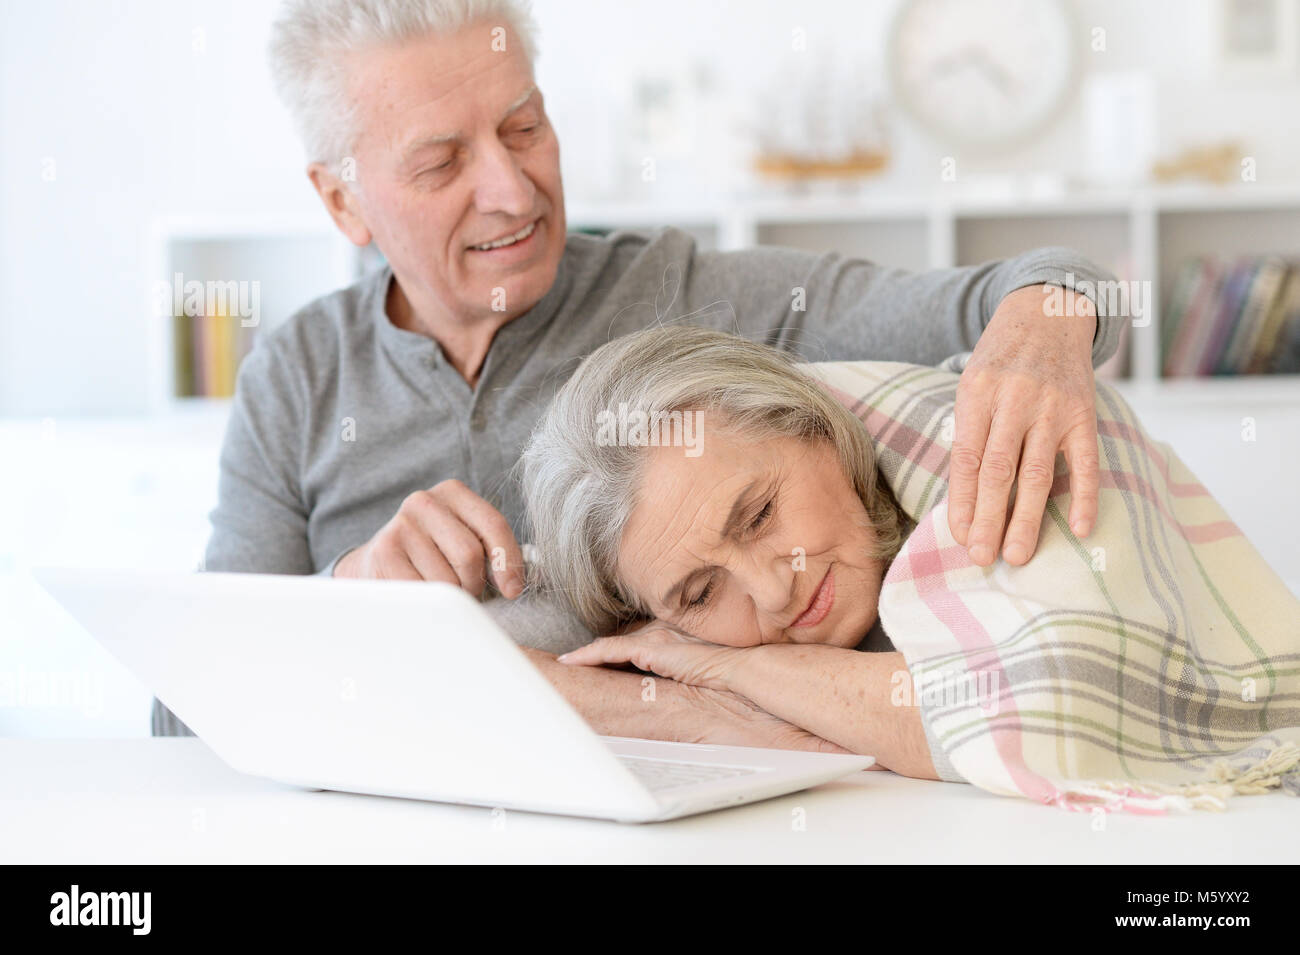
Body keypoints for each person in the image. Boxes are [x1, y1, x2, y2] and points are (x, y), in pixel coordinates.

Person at [153, 0, 1122, 748]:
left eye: (523, 126)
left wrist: (1046, 322)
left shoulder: (688, 295)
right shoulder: (297, 375)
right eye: (443, 162)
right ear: (342, 201)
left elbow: (1056, 284)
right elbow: (176, 714)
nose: (511, 186)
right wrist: (345, 592)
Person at [520, 324, 941, 777]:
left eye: (759, 516)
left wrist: (735, 669)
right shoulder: (648, 627)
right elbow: (447, 673)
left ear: (818, 429)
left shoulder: (967, 459)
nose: (773, 593)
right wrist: (681, 711)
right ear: (645, 620)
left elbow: (1007, 714)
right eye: (701, 594)